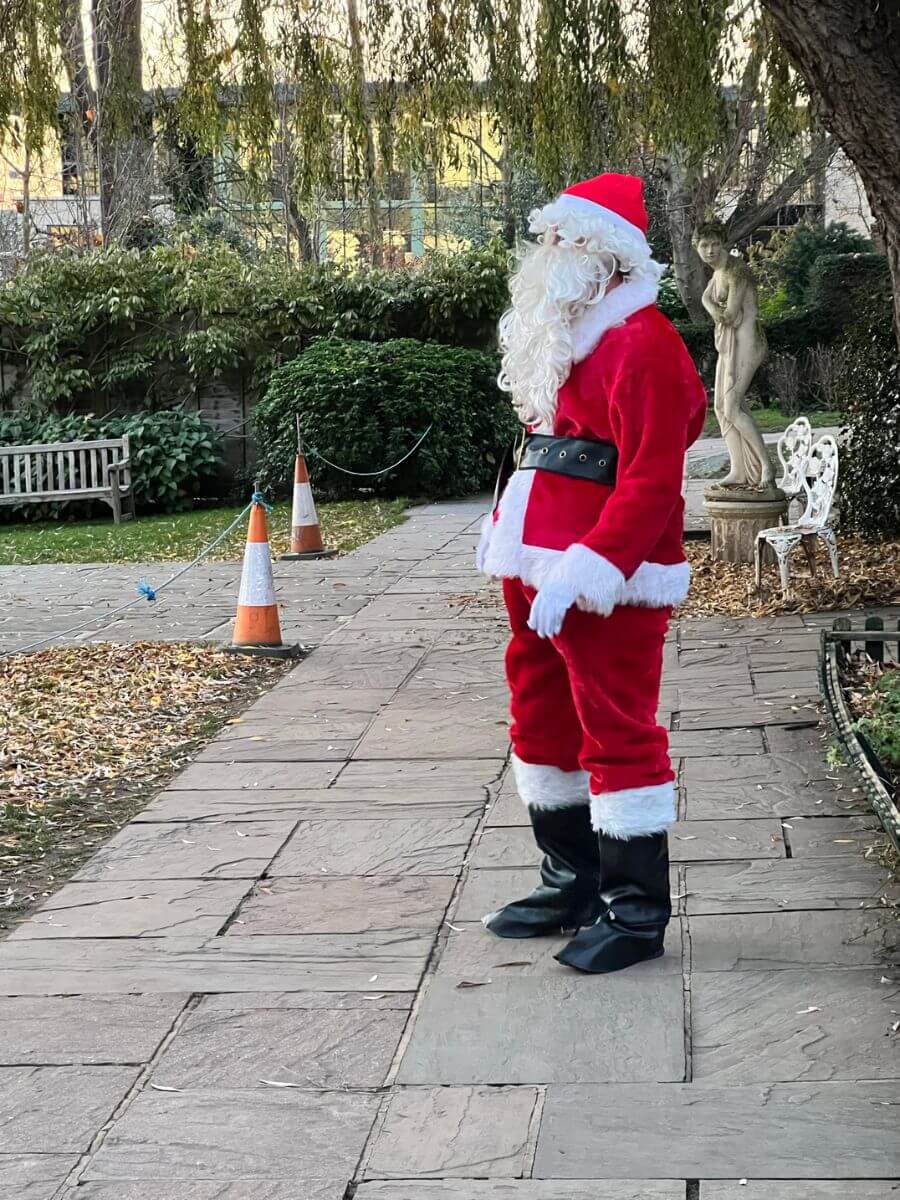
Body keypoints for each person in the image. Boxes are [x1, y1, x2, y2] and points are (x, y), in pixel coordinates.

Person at [476, 172, 708, 974]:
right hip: (535, 564)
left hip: (605, 575)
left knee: (617, 725)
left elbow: (651, 479)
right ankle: (571, 880)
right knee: (542, 719)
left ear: (604, 255)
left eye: (562, 240)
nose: (546, 254)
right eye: (545, 240)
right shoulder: (568, 336)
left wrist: (597, 564)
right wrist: (508, 527)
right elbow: (549, 452)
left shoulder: (644, 344)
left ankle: (635, 912)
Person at [695, 219, 773, 488]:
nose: (710, 250)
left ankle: (766, 467)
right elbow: (706, 298)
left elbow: (729, 315)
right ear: (697, 248)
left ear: (723, 244)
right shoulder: (718, 272)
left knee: (733, 406)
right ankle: (739, 470)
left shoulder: (735, 271)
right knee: (720, 407)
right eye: (704, 245)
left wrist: (717, 311)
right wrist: (713, 308)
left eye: (715, 244)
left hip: (748, 344)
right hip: (732, 345)